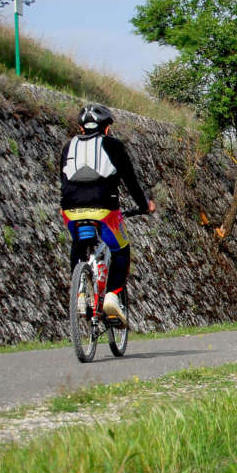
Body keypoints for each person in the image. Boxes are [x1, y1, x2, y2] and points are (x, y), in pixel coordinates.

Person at [60, 104, 155, 326]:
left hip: (71, 211)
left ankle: (80, 293)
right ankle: (112, 295)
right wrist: (144, 205)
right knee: (121, 250)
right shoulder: (112, 145)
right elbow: (130, 180)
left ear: (81, 128)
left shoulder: (68, 147)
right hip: (104, 211)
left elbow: (64, 181)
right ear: (106, 128)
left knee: (78, 245)